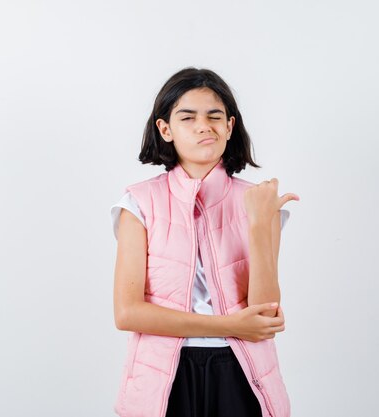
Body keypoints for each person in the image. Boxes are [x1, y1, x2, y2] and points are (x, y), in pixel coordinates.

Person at [110, 67, 300, 417]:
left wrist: (259, 225)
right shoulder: (138, 203)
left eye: (214, 116)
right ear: (165, 129)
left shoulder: (259, 203)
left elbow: (265, 317)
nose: (203, 126)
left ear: (229, 127)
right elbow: (127, 313)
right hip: (164, 375)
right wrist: (229, 325)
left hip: (242, 372)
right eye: (188, 117)